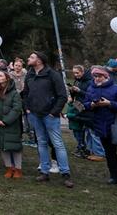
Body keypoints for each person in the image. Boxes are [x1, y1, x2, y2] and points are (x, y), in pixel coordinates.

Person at [22, 51, 73, 188]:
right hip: (34, 114)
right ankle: (44, 171)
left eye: (31, 57)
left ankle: (65, 173)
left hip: (49, 115)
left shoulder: (52, 75)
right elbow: (25, 93)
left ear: (39, 60)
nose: (28, 58)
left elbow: (62, 95)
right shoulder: (30, 74)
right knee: (41, 142)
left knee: (57, 143)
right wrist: (27, 108)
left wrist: (53, 112)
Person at [0, 69, 23, 178]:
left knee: (14, 146)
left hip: (11, 124)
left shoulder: (14, 93)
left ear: (6, 78)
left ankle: (18, 169)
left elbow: (17, 108)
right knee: (2, 146)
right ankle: (9, 168)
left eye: (1, 76)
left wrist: (6, 121)